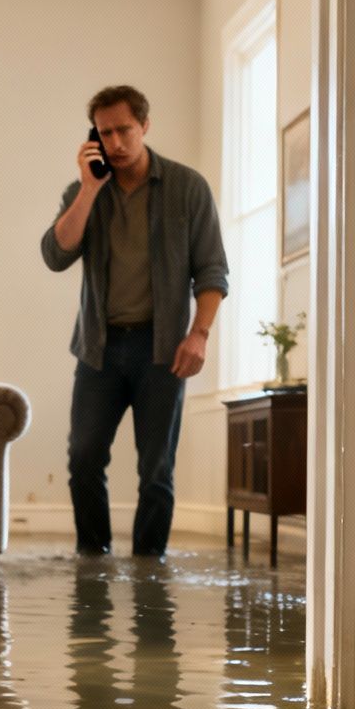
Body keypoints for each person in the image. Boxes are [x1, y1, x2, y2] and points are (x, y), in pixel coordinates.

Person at [41, 85, 229, 558]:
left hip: (162, 348)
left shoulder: (188, 189)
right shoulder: (84, 189)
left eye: (123, 129)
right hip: (98, 348)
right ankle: (93, 558)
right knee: (83, 458)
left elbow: (212, 270)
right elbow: (55, 254)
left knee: (156, 470)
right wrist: (88, 189)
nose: (116, 143)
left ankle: (148, 568)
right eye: (105, 133)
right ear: (94, 136)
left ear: (144, 125)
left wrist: (199, 334)